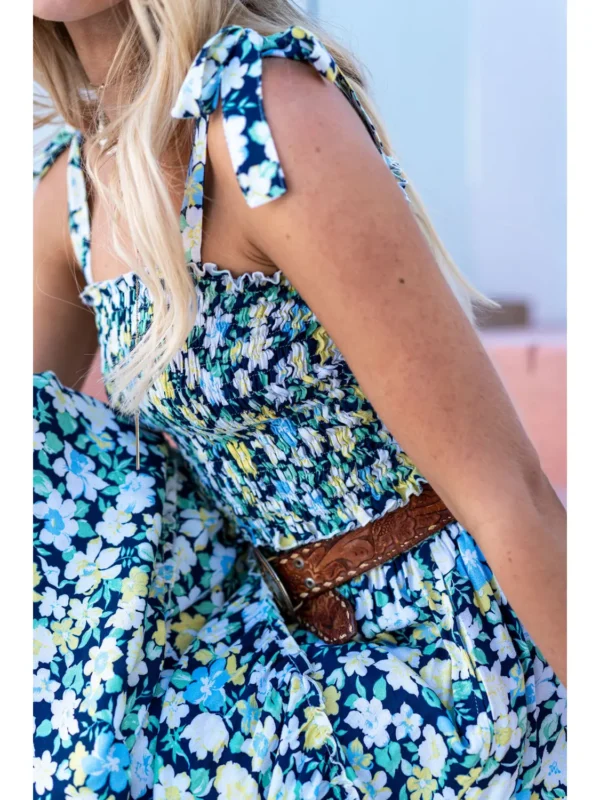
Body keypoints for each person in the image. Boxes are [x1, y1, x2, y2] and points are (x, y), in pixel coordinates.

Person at [33, 1, 567, 798]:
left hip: (443, 663)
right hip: (269, 664)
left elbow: (507, 492)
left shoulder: (257, 112)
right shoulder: (69, 187)